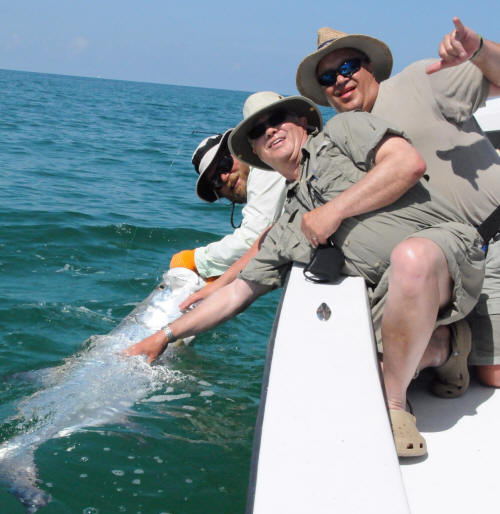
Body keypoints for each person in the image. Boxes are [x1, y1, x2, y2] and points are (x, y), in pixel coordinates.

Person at [126, 92, 485, 457]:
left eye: (278, 118)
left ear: (302, 121)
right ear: (257, 153)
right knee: (338, 385)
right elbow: (240, 293)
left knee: (411, 257)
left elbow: (407, 164)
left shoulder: (345, 130)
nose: (270, 130)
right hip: (391, 295)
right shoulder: (289, 223)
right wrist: (164, 336)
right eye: (258, 131)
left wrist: (335, 211)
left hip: (447, 257)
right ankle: (447, 346)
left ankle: (394, 408)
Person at [296, 17, 500, 391]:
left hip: (496, 235)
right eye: (327, 78)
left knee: (493, 375)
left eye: (346, 67)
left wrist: (479, 50)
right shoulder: (345, 140)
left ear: (368, 67)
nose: (339, 80)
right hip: (451, 263)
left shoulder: (417, 81)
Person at [169, 129, 286, 280]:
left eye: (224, 164)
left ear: (239, 152)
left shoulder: (264, 166)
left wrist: (195, 260)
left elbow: (254, 237)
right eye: (216, 180)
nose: (224, 177)